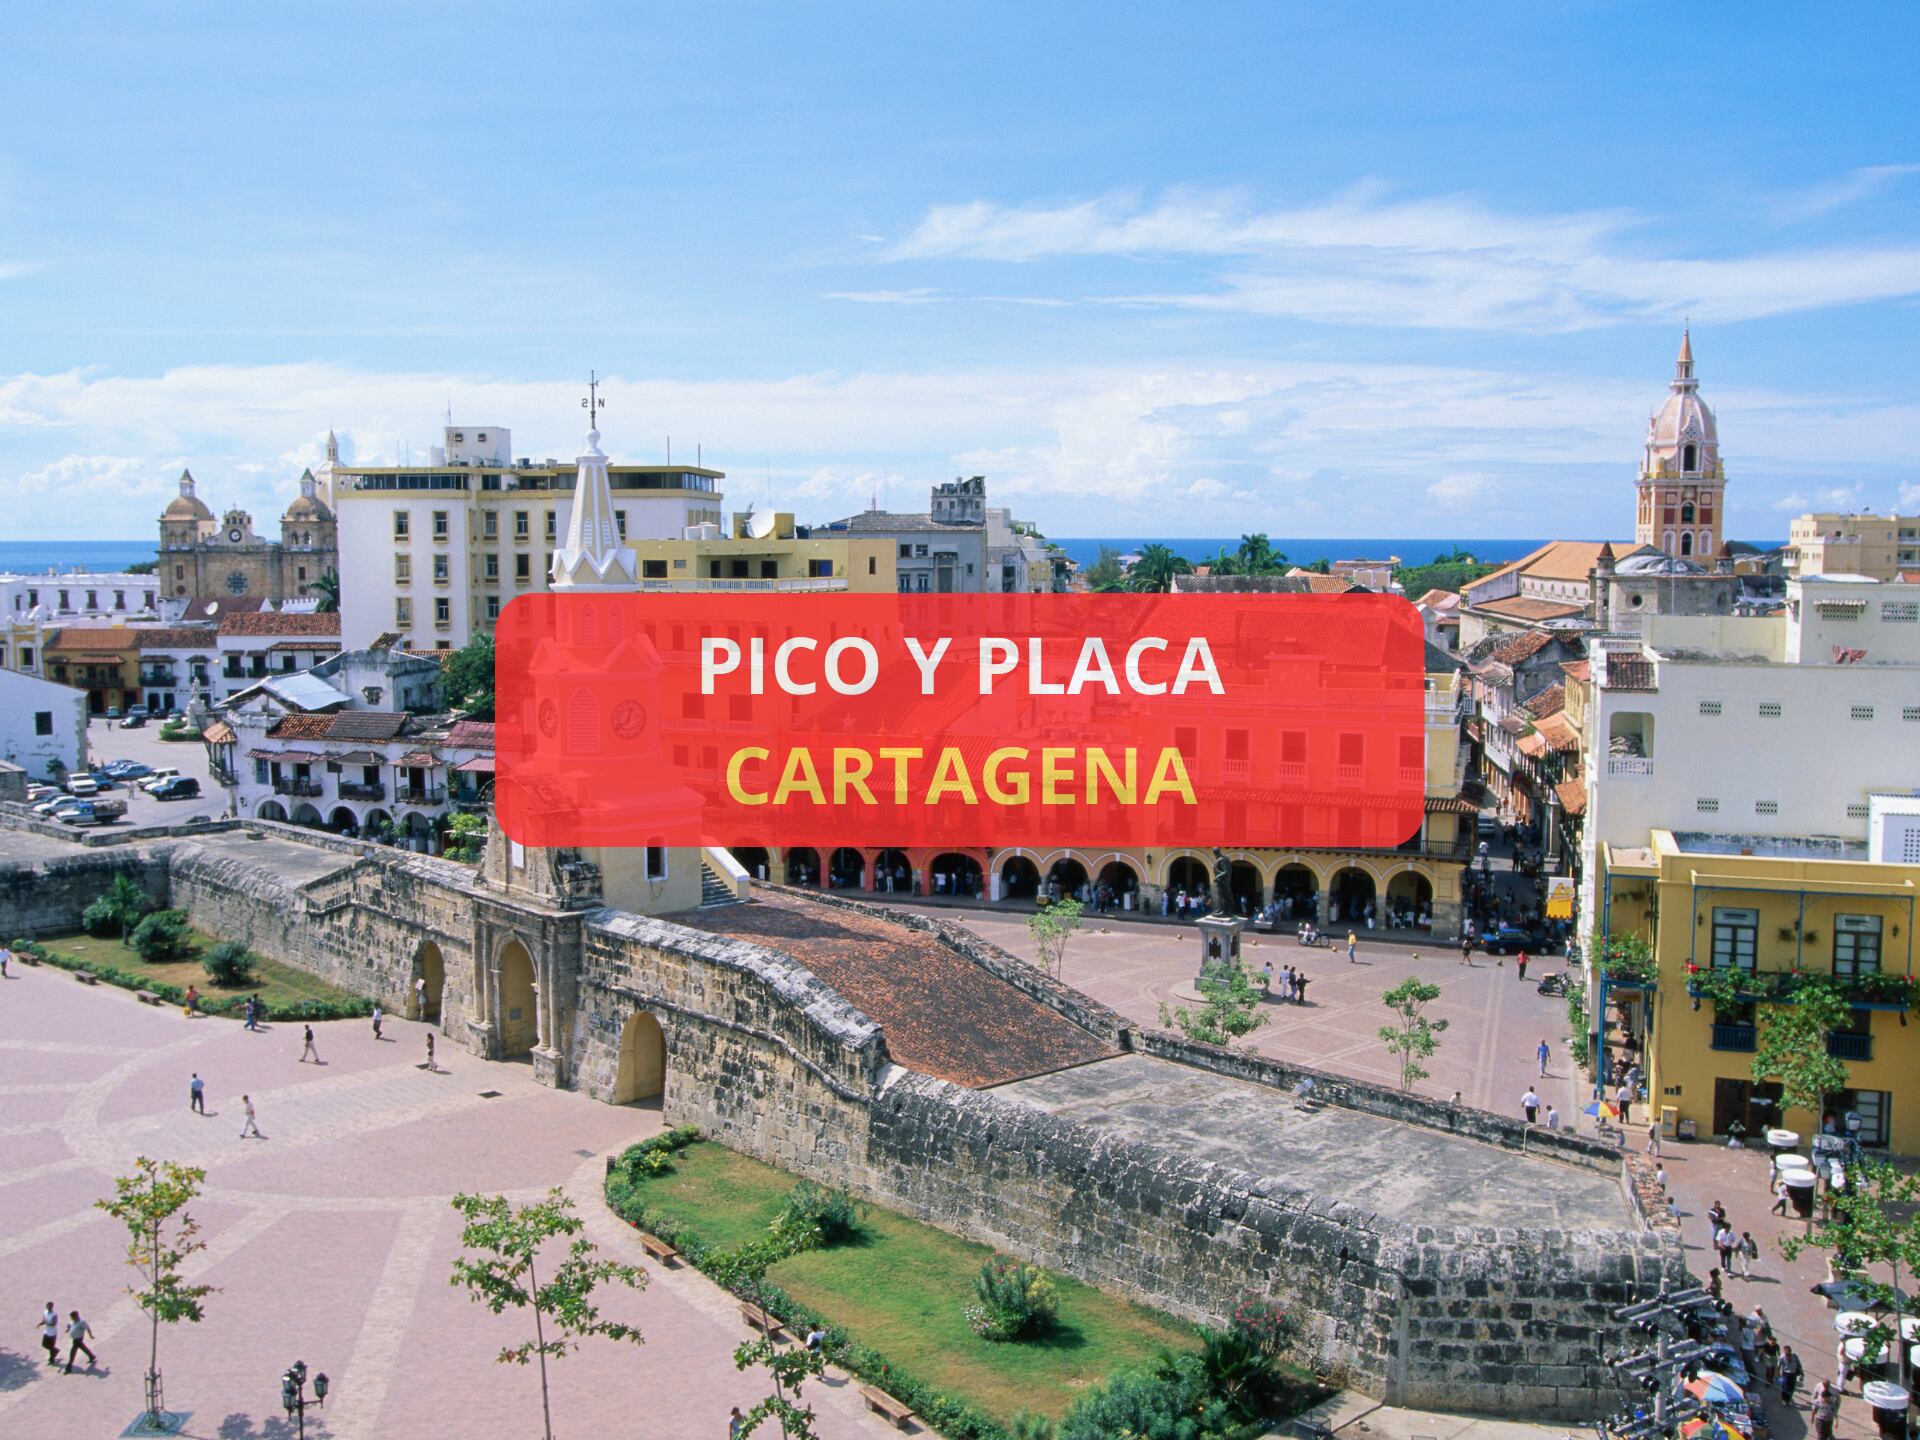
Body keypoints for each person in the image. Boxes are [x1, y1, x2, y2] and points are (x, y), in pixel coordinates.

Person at [39, 1302, 59, 1366]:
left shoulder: (54, 1315)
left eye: (50, 1306)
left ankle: (51, 1359)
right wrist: (40, 1324)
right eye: (47, 1306)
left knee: (51, 1346)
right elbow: (44, 1320)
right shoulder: (45, 1312)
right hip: (47, 1331)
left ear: (52, 1307)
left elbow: (54, 1324)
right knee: (44, 1344)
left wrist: (46, 1323)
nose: (48, 1307)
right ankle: (55, 1350)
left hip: (52, 1333)